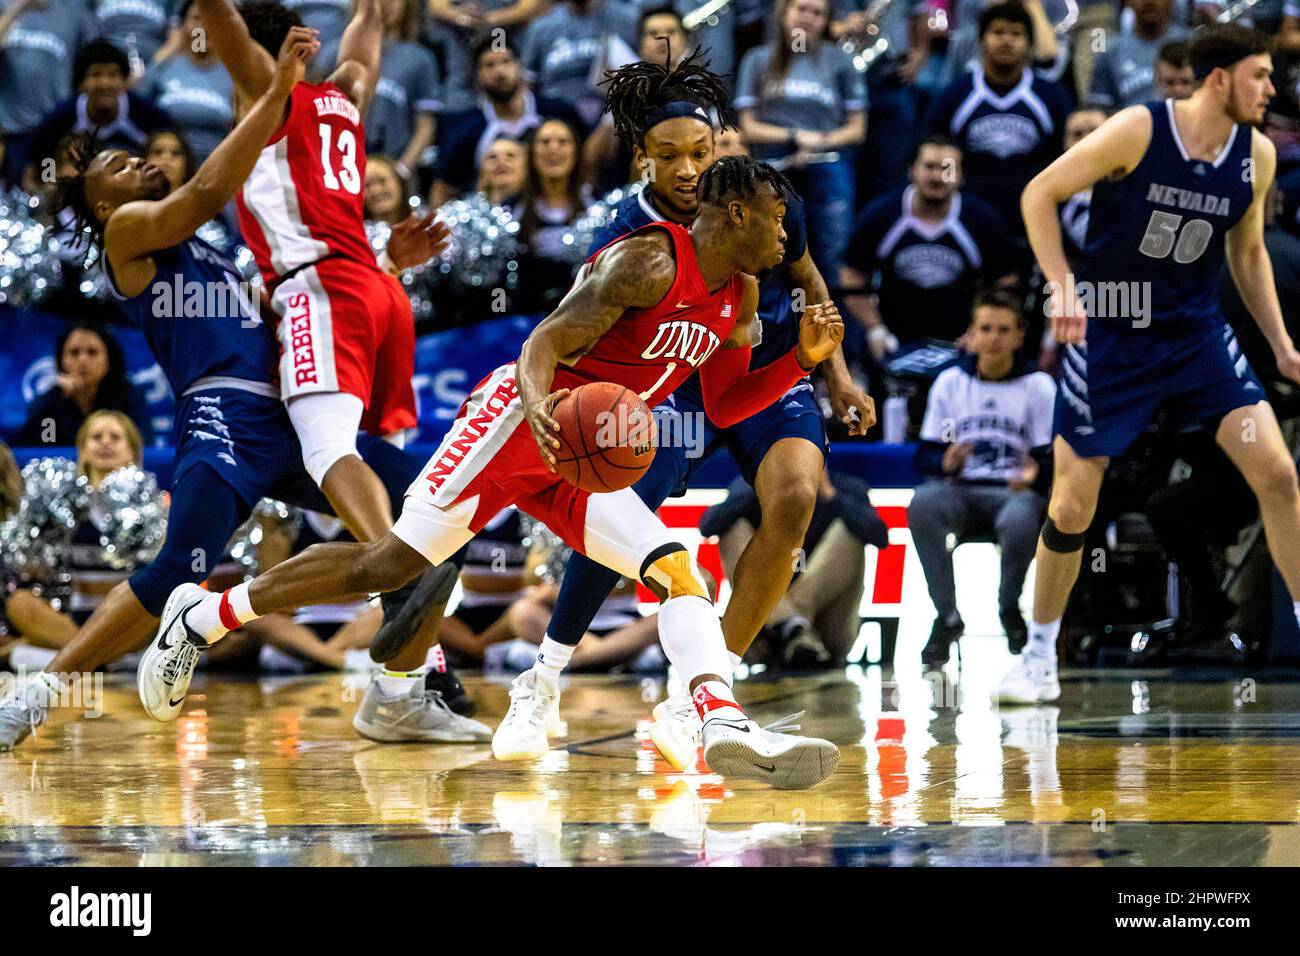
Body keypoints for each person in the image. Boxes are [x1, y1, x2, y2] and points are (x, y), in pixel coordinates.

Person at [143, 155, 849, 790]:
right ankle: (202, 615)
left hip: (579, 452)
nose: (790, 234)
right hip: (518, 420)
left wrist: (799, 363)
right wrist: (541, 410)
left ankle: (718, 721)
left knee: (677, 572)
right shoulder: (647, 264)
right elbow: (544, 340)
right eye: (780, 216)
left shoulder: (742, 297)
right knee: (388, 565)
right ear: (737, 212)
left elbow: (725, 402)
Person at [0, 26, 476, 751]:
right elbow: (209, 187)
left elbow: (291, 297)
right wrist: (278, 95)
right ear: (101, 207)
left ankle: (401, 692)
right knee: (176, 569)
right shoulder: (130, 238)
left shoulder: (209, 254)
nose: (138, 164)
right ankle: (38, 692)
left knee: (435, 509)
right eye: (119, 168)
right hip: (222, 414)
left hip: (286, 409)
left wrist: (385, 259)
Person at [538, 54, 873, 773]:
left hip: (766, 367)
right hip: (671, 382)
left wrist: (837, 373)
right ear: (643, 161)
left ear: (722, 145)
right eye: (672, 156)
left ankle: (709, 691)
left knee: (795, 497)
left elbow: (808, 274)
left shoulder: (765, 197)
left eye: (704, 150)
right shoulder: (625, 239)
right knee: (619, 512)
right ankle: (549, 668)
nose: (690, 168)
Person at [1000, 24, 1300, 704]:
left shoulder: (1256, 154)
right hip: (1111, 331)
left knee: (1278, 474)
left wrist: (1281, 344)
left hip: (1195, 335)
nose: (1272, 88)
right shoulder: (1137, 129)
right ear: (1220, 79)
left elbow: (1247, 254)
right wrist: (1061, 283)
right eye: (1261, 75)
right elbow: (1038, 194)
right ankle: (1039, 656)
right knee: (1074, 504)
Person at [909, 289, 1054, 665]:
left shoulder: (1039, 386)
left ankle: (1009, 608)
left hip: (1013, 493)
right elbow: (923, 455)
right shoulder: (950, 383)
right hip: (962, 490)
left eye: (1003, 329)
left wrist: (1036, 472)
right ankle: (947, 616)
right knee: (923, 503)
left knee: (1023, 516)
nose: (993, 338)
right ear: (971, 334)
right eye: (985, 328)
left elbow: (1051, 457)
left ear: (1020, 335)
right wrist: (945, 460)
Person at [842, 135, 1017, 363]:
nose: (937, 176)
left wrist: (980, 331)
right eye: (929, 167)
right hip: (894, 341)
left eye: (947, 168)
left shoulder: (983, 220)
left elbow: (1006, 282)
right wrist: (875, 329)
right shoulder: (881, 214)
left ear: (961, 176)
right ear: (911, 170)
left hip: (962, 345)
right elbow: (852, 276)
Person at [3, 411, 155, 657]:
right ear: (82, 450)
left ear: (134, 451)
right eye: (96, 437)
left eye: (115, 437)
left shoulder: (155, 504)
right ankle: (105, 658)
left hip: (129, 624)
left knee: (165, 600)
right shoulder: (59, 503)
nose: (105, 442)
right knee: (20, 603)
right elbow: (32, 567)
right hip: (73, 623)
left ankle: (64, 658)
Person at [702, 468, 889, 667]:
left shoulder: (846, 486)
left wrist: (829, 494)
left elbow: (879, 536)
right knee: (732, 529)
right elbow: (708, 525)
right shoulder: (753, 483)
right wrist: (762, 488)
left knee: (850, 532)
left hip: (826, 633)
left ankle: (791, 624)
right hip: (764, 637)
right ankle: (795, 629)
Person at [735, 0, 867, 276]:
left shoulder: (841, 60)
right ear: (784, 13)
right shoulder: (757, 59)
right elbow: (746, 127)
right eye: (802, 9)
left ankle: (834, 309)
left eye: (817, 13)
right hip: (772, 162)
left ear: (827, 20)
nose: (808, 17)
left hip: (826, 158)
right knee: (766, 249)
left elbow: (856, 129)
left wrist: (817, 142)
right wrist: (796, 136)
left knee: (833, 250)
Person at [925, 1, 1070, 242]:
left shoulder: (1051, 96)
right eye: (998, 32)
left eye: (1016, 34)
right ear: (981, 40)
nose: (1006, 41)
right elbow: (931, 144)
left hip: (1033, 208)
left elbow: (1063, 157)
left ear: (1030, 44)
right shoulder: (956, 93)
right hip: (969, 209)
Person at [431, 32, 585, 206]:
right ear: (476, 75)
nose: (499, 71)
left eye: (506, 61)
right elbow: (444, 189)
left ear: (521, 66)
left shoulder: (558, 112)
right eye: (489, 65)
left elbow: (588, 163)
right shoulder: (464, 131)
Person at [22, 40, 174, 192]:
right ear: (81, 83)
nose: (104, 83)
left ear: (125, 81)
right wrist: (52, 189)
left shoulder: (150, 117)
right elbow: (37, 169)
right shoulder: (58, 122)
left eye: (113, 75)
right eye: (96, 74)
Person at [317, 0, 440, 180]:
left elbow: (426, 125)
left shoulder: (420, 58)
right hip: (338, 168)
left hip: (394, 166)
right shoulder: (332, 53)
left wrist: (401, 170)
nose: (385, 3)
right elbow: (315, 115)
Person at [0, 0, 101, 186]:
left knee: (48, 189)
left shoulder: (76, 13)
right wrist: (15, 11)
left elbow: (93, 58)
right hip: (10, 130)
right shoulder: (5, 7)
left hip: (52, 131)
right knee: (13, 198)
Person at [14, 321, 153, 447]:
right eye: (74, 353)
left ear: (109, 360)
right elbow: (29, 445)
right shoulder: (53, 400)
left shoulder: (129, 396)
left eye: (92, 352)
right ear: (61, 361)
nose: (83, 360)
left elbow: (142, 445)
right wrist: (54, 396)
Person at [136, 0, 236, 164]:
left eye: (211, 18)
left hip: (215, 168)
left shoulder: (235, 73)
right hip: (163, 167)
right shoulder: (165, 65)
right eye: (196, 18)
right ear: (182, 25)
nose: (202, 27)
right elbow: (134, 102)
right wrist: (168, 50)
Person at [1088, 0, 1189, 110]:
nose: (1149, 2)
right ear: (1126, 2)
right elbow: (1099, 108)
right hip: (1129, 124)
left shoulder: (1191, 43)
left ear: (1171, 2)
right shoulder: (1109, 51)